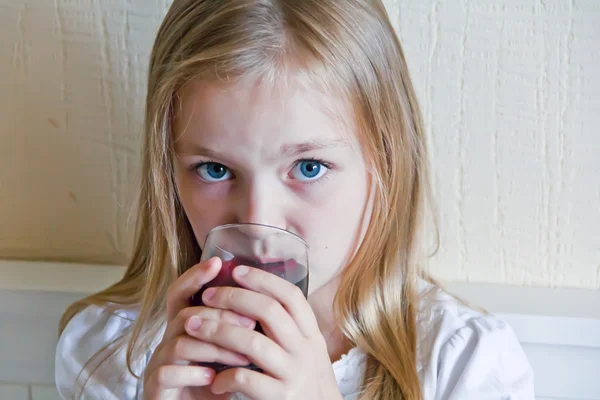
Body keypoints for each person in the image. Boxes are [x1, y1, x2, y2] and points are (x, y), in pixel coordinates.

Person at [55, 0, 535, 399]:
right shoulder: (115, 356)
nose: (259, 224)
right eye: (215, 169)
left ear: (385, 162)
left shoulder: (464, 367)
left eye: (309, 168)